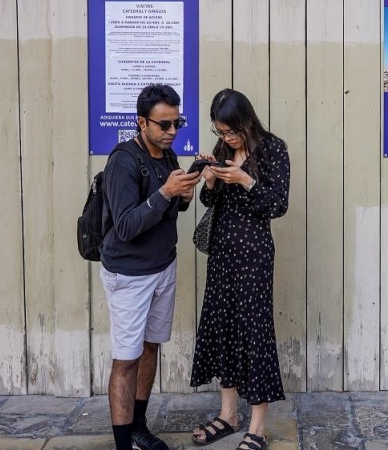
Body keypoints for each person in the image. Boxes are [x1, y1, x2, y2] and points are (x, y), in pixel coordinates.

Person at [99, 84, 201, 450]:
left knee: (149, 348)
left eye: (178, 123)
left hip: (163, 267)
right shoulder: (123, 161)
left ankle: (138, 427)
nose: (172, 131)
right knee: (125, 360)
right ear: (141, 122)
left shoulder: (168, 156)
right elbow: (125, 226)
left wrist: (183, 195)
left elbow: (167, 212)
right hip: (129, 275)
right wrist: (166, 194)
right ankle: (123, 444)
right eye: (164, 125)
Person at [190, 88, 290, 450]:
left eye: (230, 132)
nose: (226, 138)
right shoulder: (223, 151)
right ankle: (229, 414)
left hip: (253, 255)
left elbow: (278, 204)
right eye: (220, 133)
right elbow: (209, 201)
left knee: (254, 331)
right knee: (224, 328)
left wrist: (245, 180)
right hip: (222, 252)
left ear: (246, 121)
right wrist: (213, 182)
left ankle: (258, 425)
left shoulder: (273, 148)